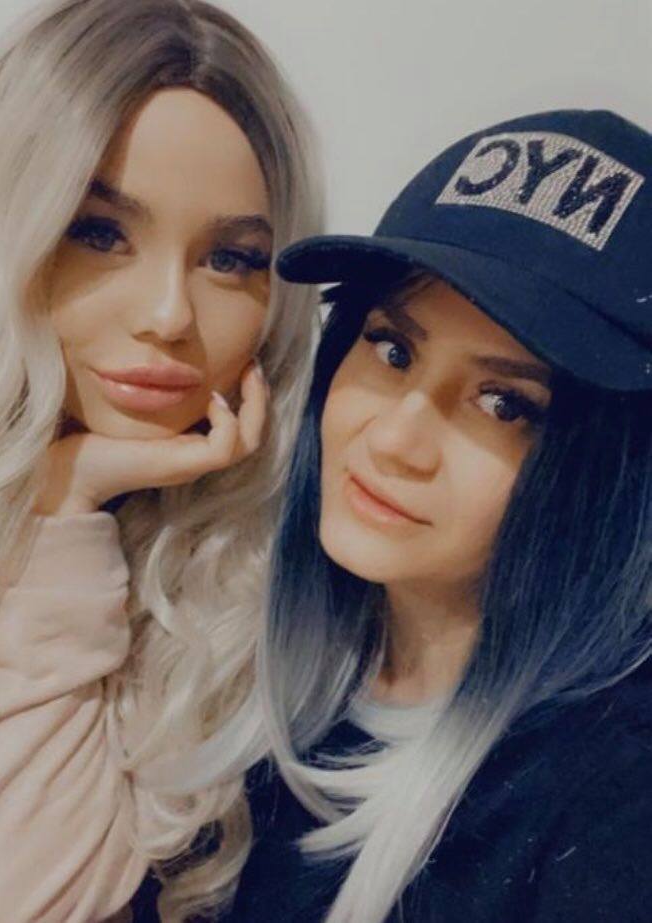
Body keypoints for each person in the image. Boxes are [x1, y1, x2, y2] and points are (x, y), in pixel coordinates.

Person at [148, 108, 652, 922]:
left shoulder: (613, 798)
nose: (394, 439)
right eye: (392, 349)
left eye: (504, 403)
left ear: (614, 468)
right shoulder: (252, 674)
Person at [0, 1, 321, 921]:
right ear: (3, 228)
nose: (169, 314)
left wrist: (65, 505)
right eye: (98, 232)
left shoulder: (284, 565)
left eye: (231, 258)